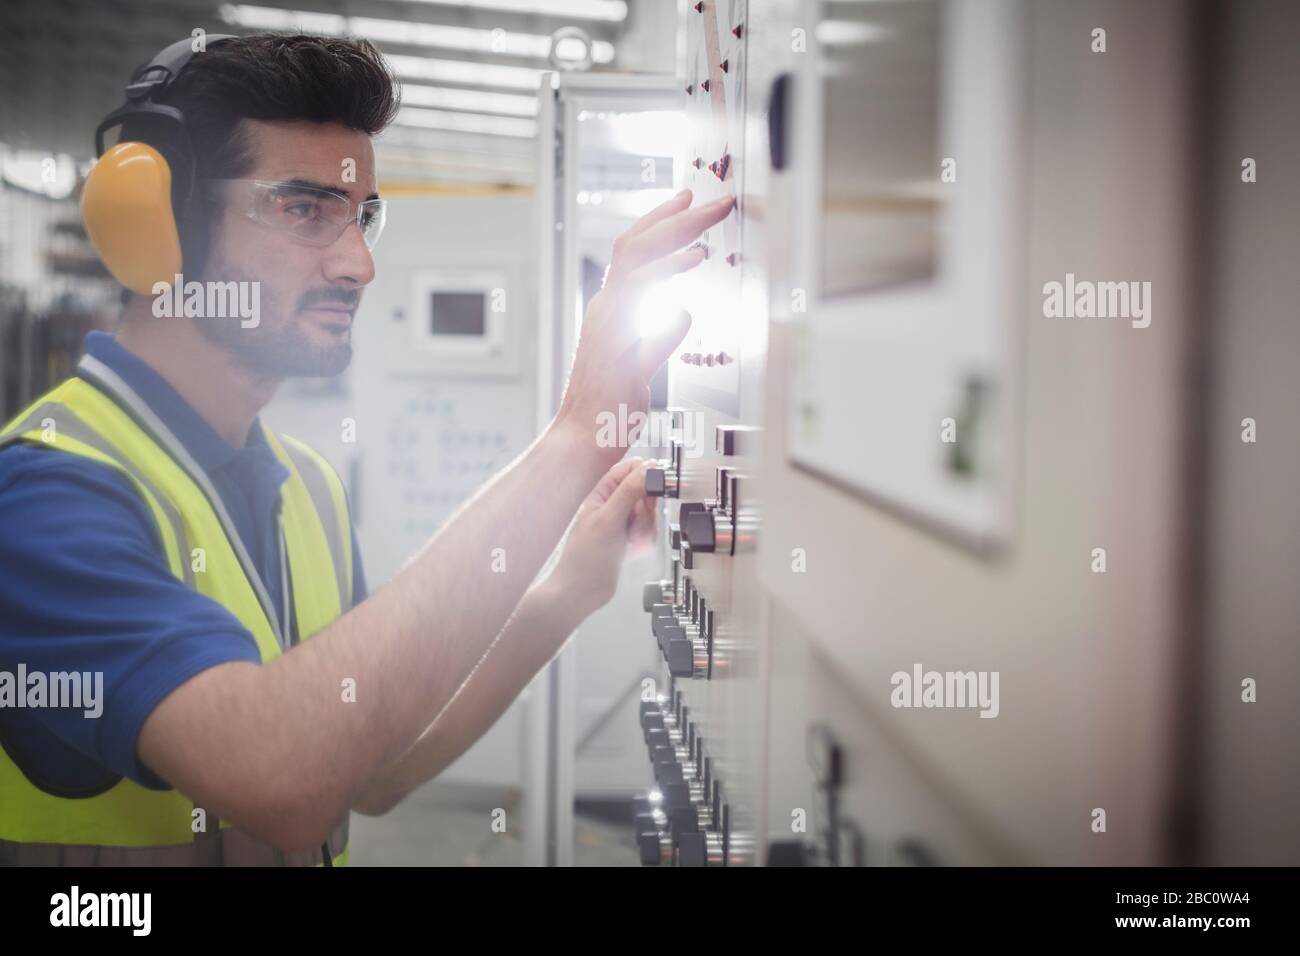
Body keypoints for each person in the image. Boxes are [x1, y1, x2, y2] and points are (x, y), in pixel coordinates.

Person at [0, 33, 732, 865]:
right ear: (159, 225)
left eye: (364, 218)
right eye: (304, 209)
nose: (357, 265)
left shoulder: (302, 484)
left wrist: (569, 587)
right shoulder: (42, 497)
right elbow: (276, 778)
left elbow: (367, 768)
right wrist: (573, 439)